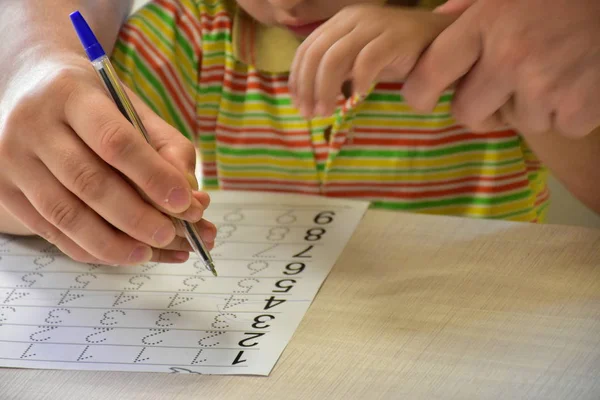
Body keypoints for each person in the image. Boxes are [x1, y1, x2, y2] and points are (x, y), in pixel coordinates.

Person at [0, 0, 596, 267]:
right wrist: (59, 189)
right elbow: (43, 178)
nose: (287, 3)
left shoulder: (503, 36)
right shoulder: (198, 29)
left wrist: (475, 60)